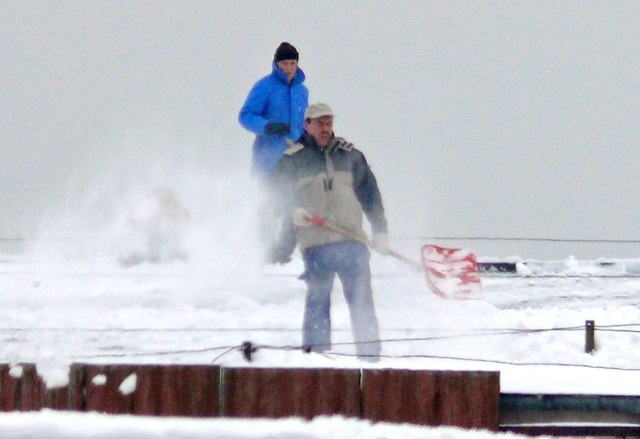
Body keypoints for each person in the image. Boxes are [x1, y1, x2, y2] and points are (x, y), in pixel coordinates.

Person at [268, 103, 390, 361]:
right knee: (318, 301)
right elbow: (275, 194)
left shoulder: (351, 156)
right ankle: (316, 359)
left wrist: (380, 230)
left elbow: (370, 195)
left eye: (328, 123)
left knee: (362, 302)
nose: (325, 128)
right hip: (316, 243)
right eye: (319, 123)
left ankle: (370, 358)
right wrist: (292, 211)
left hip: (352, 241)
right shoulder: (293, 159)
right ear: (307, 125)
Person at [238, 42, 309, 179]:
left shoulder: (302, 91)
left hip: (297, 161)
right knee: (269, 199)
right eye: (284, 63)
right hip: (269, 160)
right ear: (276, 64)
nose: (288, 68)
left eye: (292, 63)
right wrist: (267, 126)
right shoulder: (265, 86)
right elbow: (245, 115)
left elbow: (305, 122)